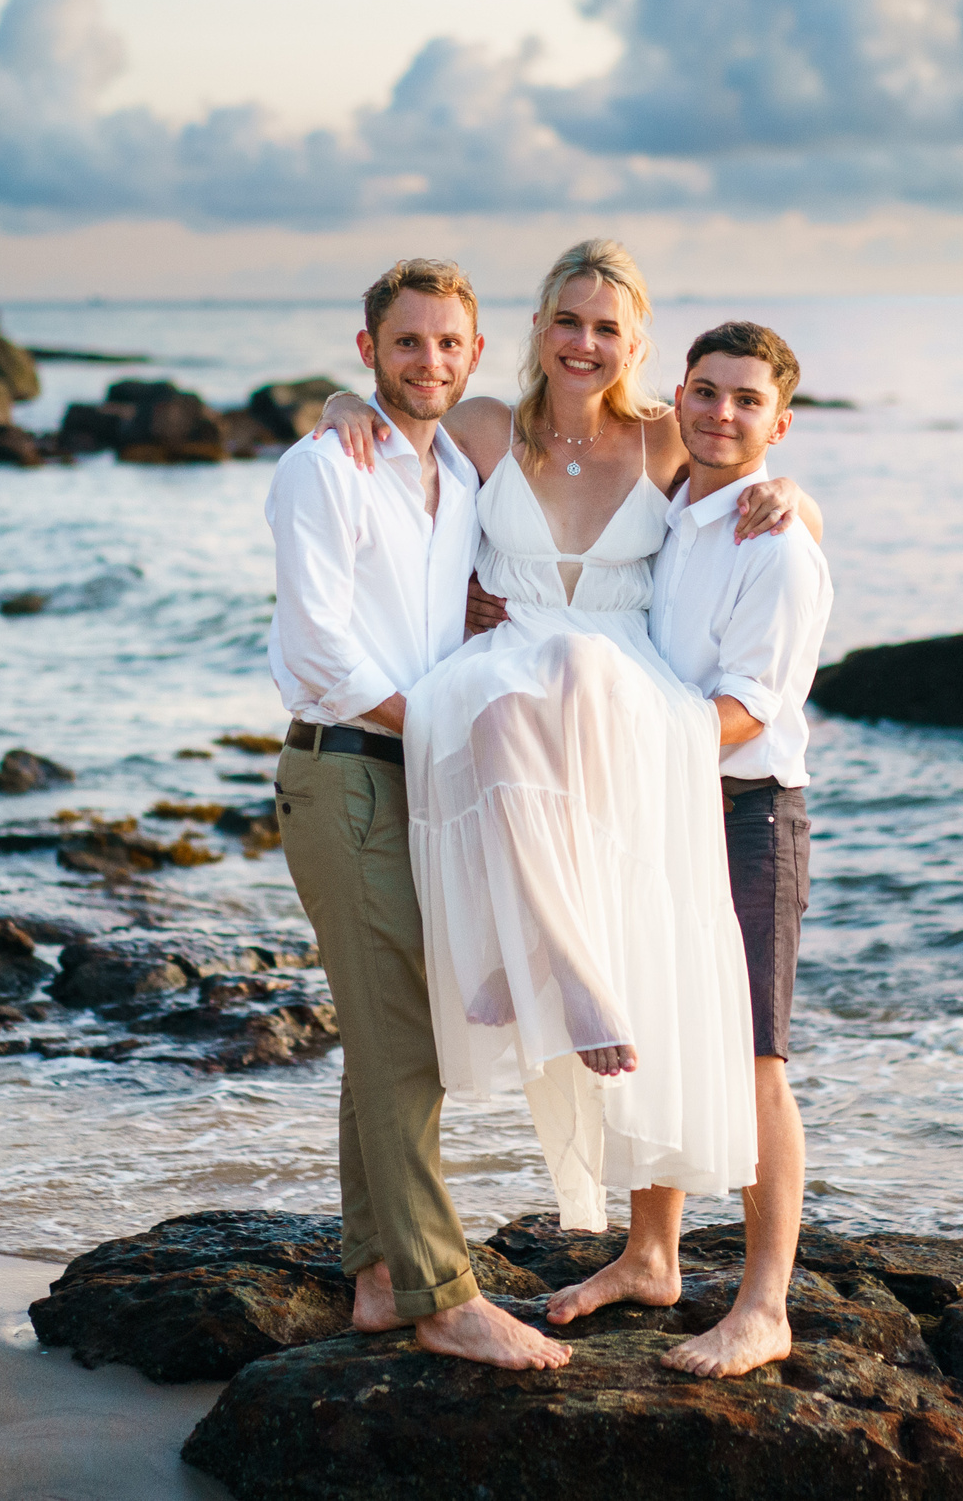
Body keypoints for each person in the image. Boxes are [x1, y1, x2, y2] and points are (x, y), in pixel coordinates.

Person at [313, 240, 820, 1240]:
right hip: (510, 657)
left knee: (573, 678)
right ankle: (545, 964)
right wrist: (339, 410)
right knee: (498, 709)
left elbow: (744, 474)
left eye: (606, 328)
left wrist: (801, 496)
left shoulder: (663, 435)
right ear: (538, 329)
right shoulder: (488, 428)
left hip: (618, 681)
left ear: (635, 345)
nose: (583, 343)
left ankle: (548, 973)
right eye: (567, 321)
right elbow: (390, 425)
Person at [266, 257, 569, 1371]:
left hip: (418, 778)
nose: (428, 361)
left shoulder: (462, 474)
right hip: (344, 769)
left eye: (448, 344)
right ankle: (445, 1297)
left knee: (393, 1028)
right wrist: (435, 728)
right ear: (367, 352)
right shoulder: (324, 468)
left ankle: (379, 1276)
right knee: (408, 1039)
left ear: (476, 356)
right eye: (406, 344)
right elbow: (318, 650)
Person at [540, 320, 834, 1380]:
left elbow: (749, 708)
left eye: (746, 401)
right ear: (679, 398)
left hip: (747, 812)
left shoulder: (778, 545)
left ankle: (764, 1306)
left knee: (755, 1060)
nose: (721, 414)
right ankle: (651, 1257)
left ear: (778, 420)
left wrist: (614, 744)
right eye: (705, 394)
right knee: (654, 1030)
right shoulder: (675, 498)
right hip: (660, 803)